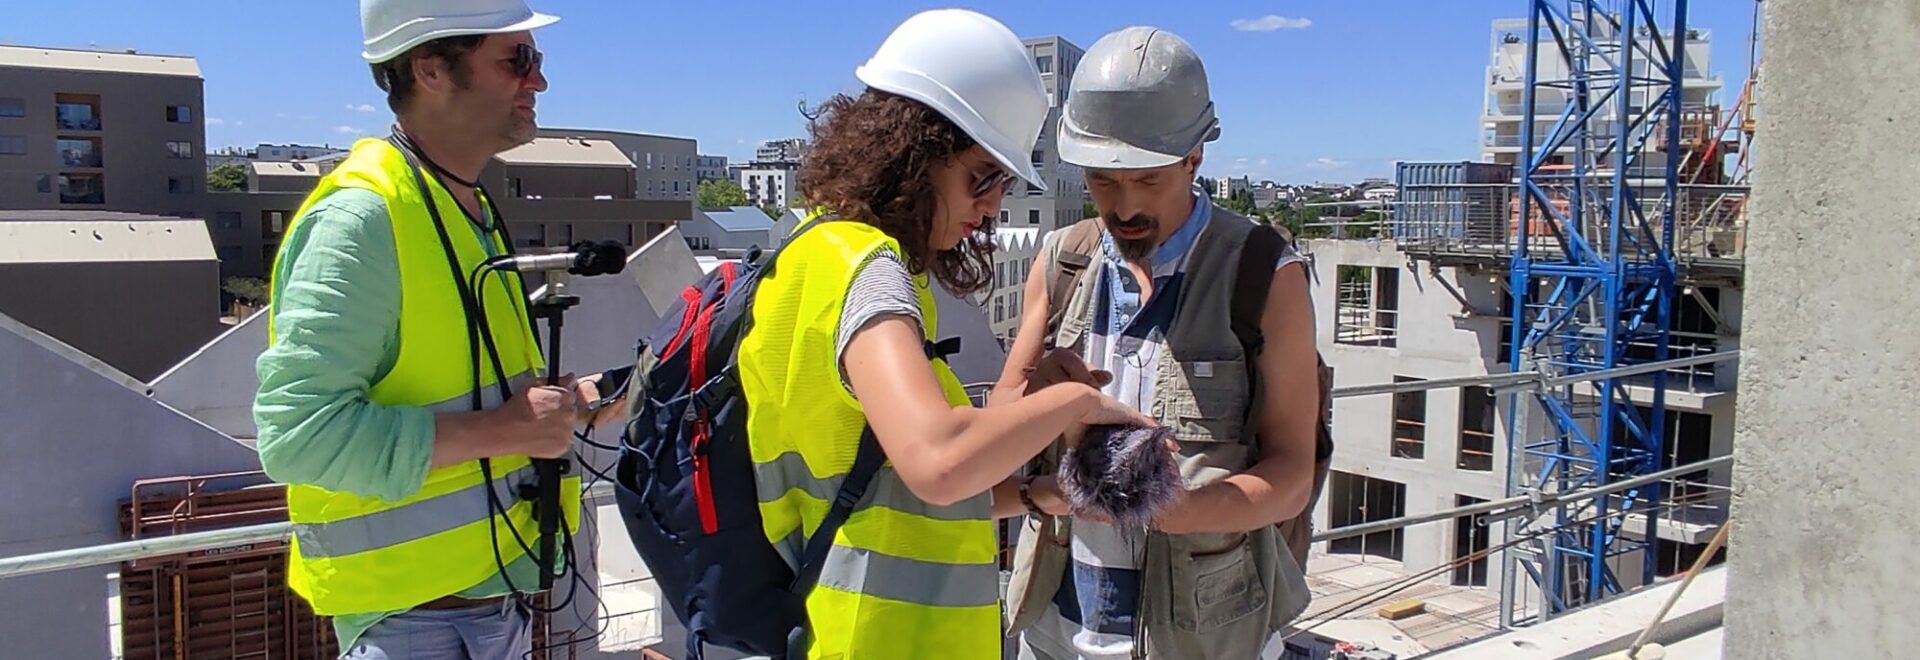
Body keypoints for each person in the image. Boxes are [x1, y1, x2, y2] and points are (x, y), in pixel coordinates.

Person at [741, 9, 1152, 659]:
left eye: (1004, 183)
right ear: (914, 151)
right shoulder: (869, 272)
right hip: (879, 642)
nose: (991, 205)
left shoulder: (811, 254)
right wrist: (1076, 405)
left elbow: (887, 489)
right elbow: (938, 462)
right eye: (982, 176)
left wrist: (1038, 489)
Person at [252, 1, 617, 657]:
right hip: (410, 626)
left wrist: (567, 408)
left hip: (488, 609)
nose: (538, 81)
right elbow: (298, 439)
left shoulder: (459, 204)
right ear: (431, 69)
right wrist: (505, 429)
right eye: (518, 60)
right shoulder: (361, 219)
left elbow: (470, 390)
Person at [993, 26, 1322, 659]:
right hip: (1060, 625)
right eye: (1104, 182)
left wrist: (1183, 510)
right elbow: (1001, 420)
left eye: (1147, 180)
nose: (1124, 206)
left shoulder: (1260, 274)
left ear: (1194, 159)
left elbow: (1290, 476)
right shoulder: (1063, 261)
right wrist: (1041, 397)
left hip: (1209, 633)